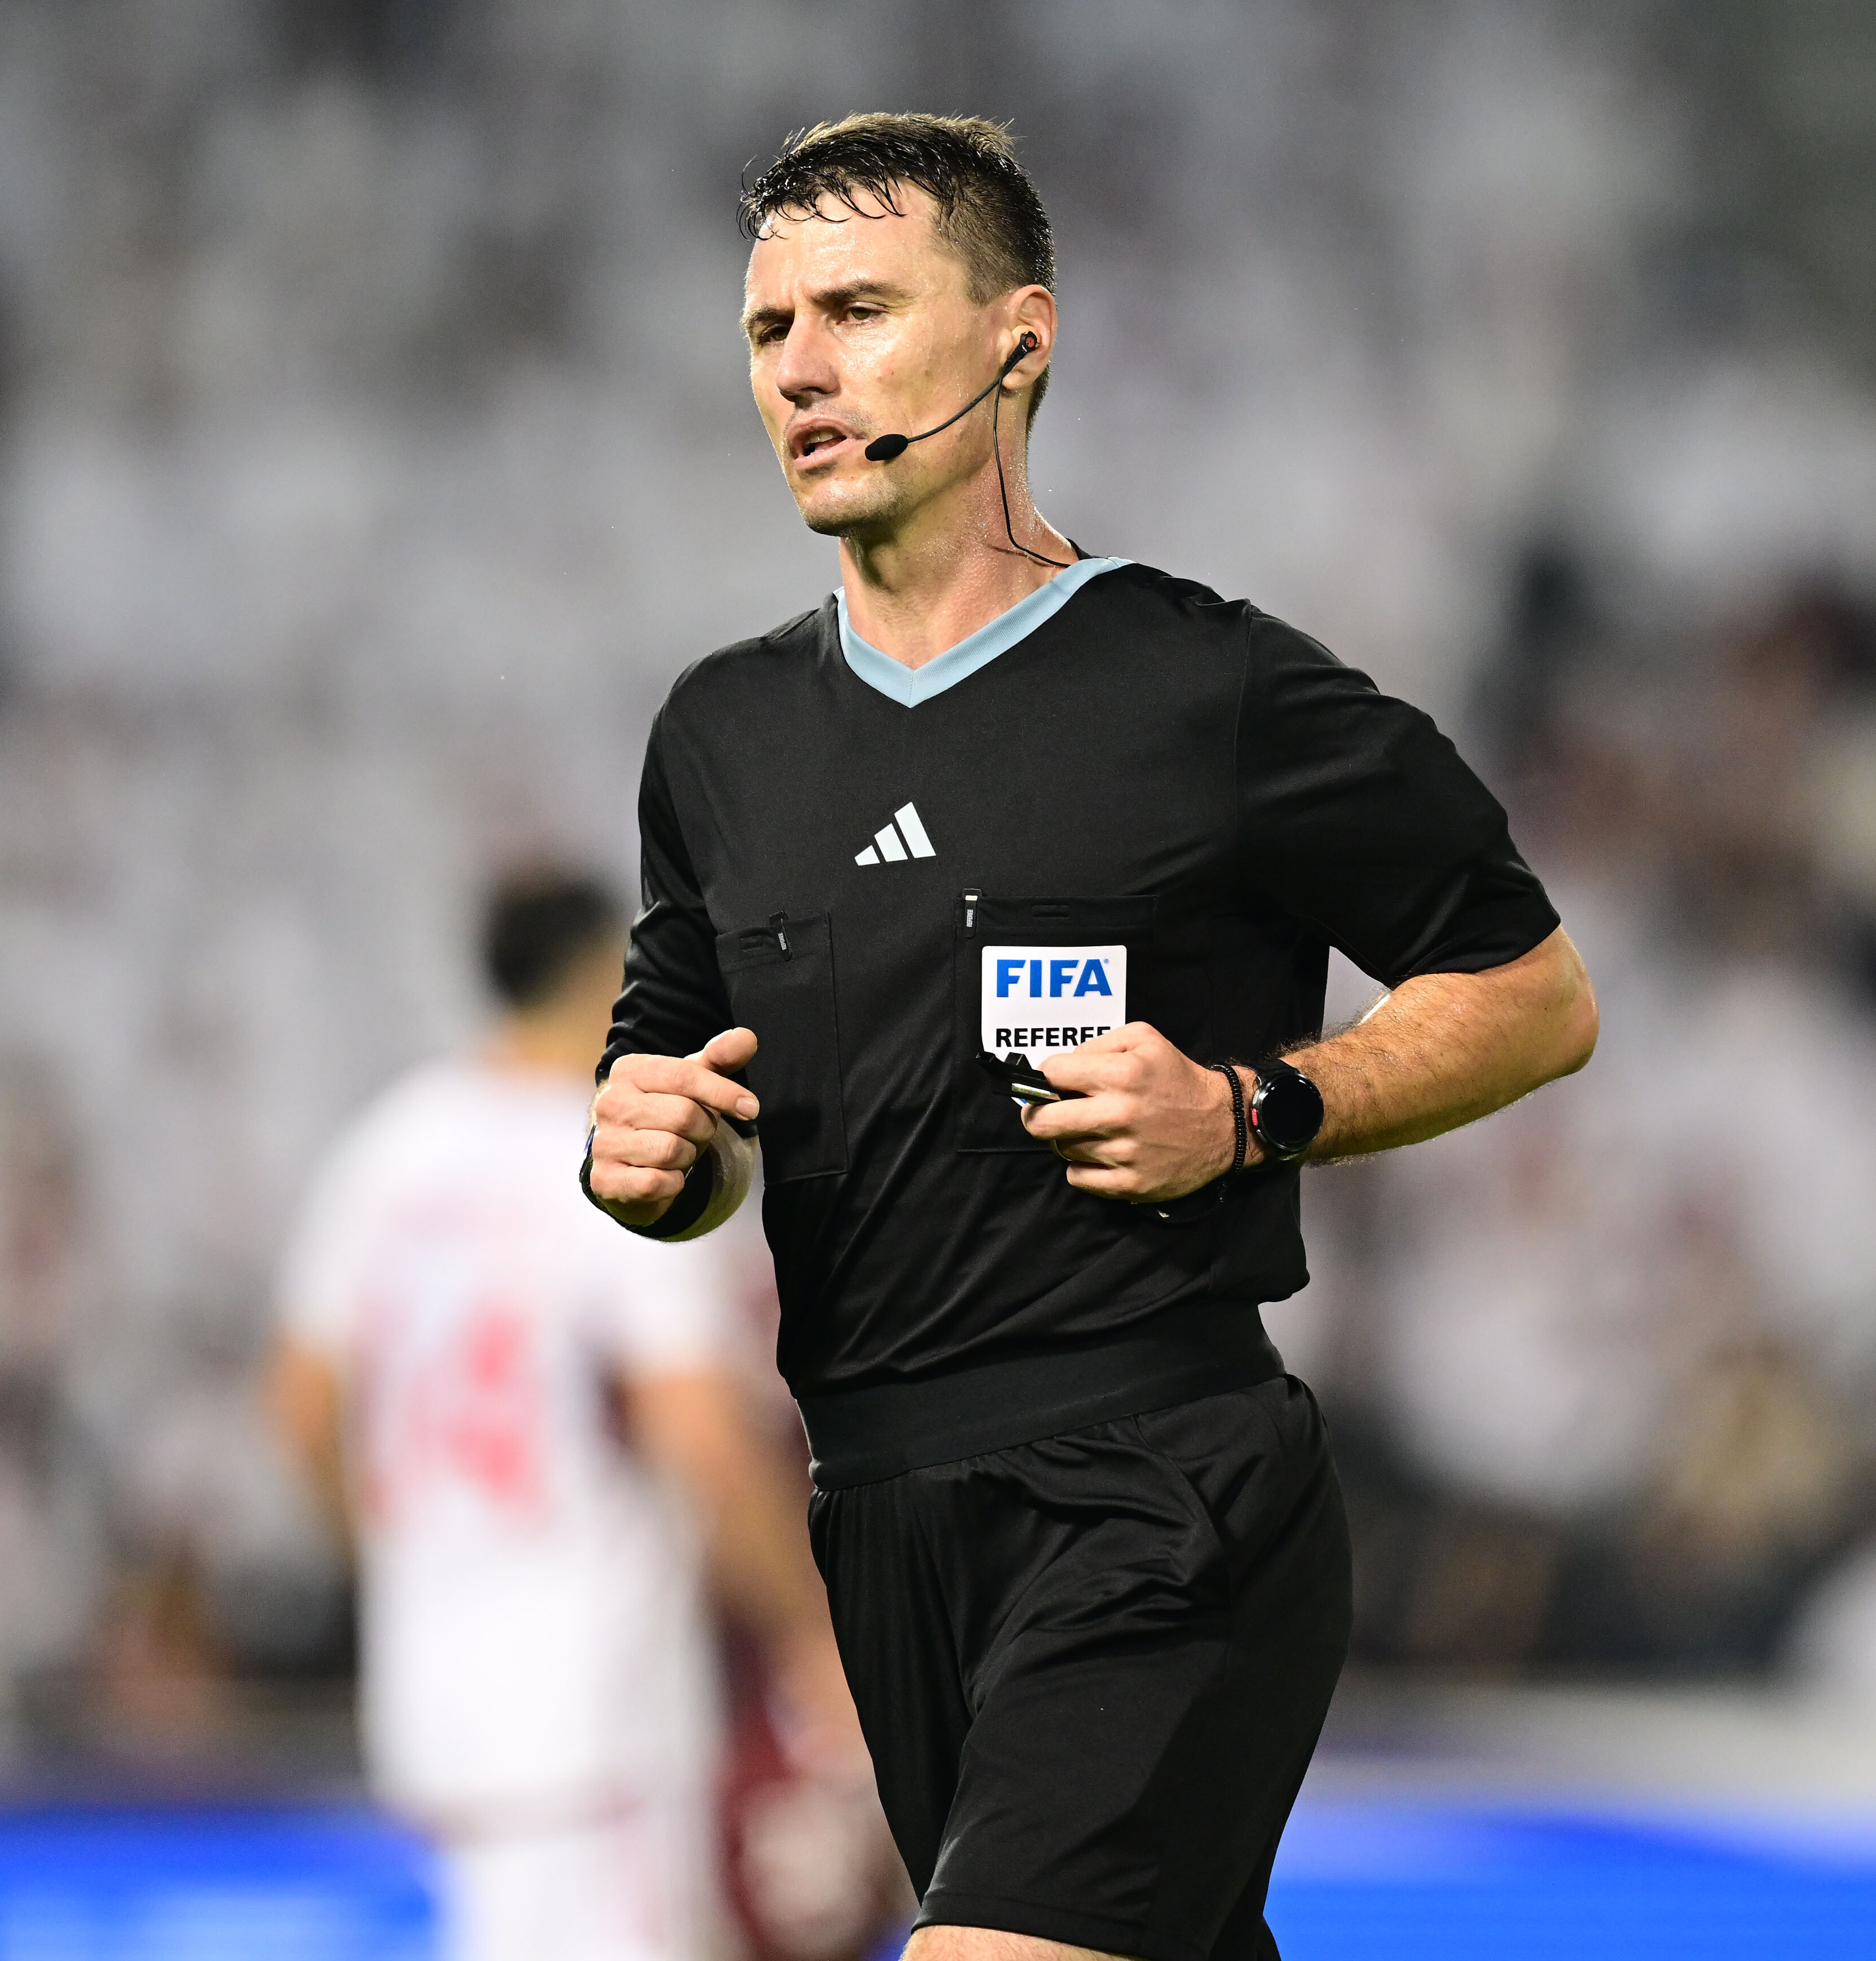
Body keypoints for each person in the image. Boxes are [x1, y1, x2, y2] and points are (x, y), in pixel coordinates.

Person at [586, 115, 1597, 1961]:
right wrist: (653, 1156)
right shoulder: (719, 737)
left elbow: (1533, 994)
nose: (800, 366)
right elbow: (682, 1101)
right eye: (767, 329)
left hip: (1158, 1482)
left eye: (858, 311)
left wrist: (1253, 1107)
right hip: (880, 1517)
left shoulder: (1203, 687)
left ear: (1017, 339)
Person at [269, 872, 874, 1961]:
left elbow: (302, 1407)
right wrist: (808, 1638)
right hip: (595, 1699)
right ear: (608, 975)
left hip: (436, 1693)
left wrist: (396, 1558)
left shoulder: (387, 1153)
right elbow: (699, 1433)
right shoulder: (619, 1162)